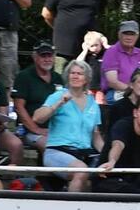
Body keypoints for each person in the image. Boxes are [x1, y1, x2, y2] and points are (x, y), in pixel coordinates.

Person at [34, 59, 103, 192]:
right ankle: (71, 209)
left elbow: (96, 136)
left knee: (96, 179)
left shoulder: (92, 103)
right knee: (81, 171)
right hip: (57, 151)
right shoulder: (58, 96)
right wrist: (58, 104)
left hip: (83, 154)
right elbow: (37, 117)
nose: (75, 76)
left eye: (79, 73)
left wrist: (109, 156)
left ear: (86, 79)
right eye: (72, 73)